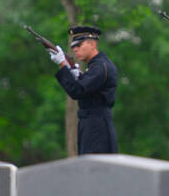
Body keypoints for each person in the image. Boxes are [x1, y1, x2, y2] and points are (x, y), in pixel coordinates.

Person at [47, 24, 118, 154]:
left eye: (79, 45)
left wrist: (63, 65)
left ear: (92, 44)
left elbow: (77, 91)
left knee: (94, 170)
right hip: (91, 124)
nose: (75, 49)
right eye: (73, 47)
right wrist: (75, 74)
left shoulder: (100, 66)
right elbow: (87, 89)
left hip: (97, 127)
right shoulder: (95, 66)